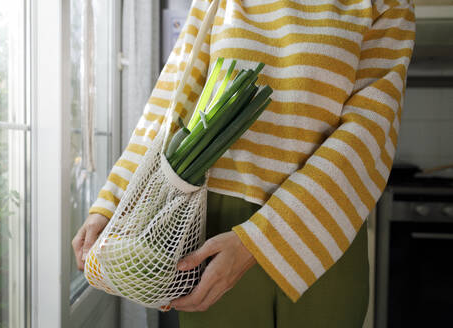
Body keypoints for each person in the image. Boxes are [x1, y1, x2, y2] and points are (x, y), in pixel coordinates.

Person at [73, 0, 415, 326]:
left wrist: (260, 242)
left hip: (319, 232)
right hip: (213, 232)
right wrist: (113, 202)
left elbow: (369, 132)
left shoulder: (387, 5)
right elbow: (173, 99)